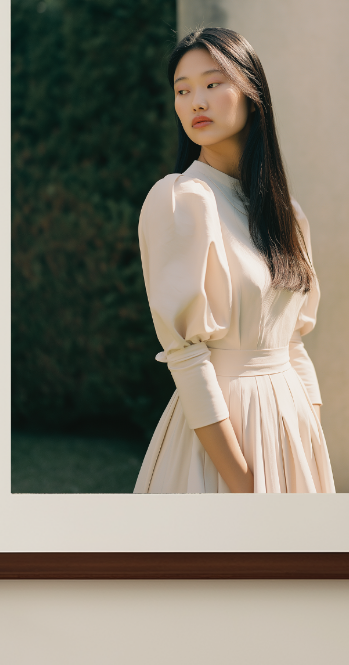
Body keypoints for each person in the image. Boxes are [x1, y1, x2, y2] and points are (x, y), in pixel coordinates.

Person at [133, 27, 336, 495]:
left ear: (251, 92)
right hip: (221, 440)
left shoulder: (287, 215)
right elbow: (186, 357)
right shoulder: (182, 199)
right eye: (182, 91)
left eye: (212, 83)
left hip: (290, 428)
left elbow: (293, 343)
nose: (195, 102)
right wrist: (245, 483)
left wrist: (309, 436)